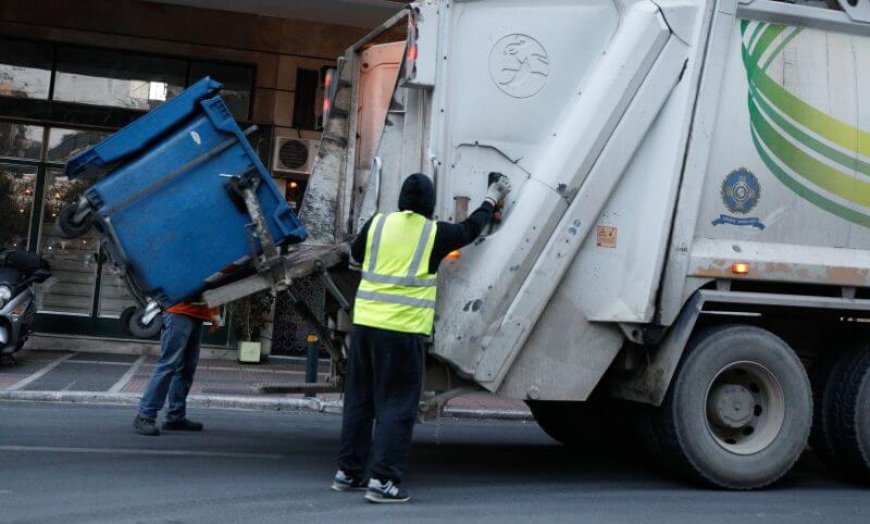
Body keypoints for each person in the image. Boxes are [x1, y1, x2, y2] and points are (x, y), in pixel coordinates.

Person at [332, 172, 512, 503]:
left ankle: (348, 472)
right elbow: (471, 229)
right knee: (396, 405)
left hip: (365, 328)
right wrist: (491, 198)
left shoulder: (377, 224)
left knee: (360, 399)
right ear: (430, 206)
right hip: (403, 332)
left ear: (400, 201)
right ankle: (383, 481)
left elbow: (354, 259)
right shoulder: (433, 233)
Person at [133, 298, 221, 436]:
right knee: (168, 364)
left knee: (187, 367)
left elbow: (209, 288)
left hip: (196, 315)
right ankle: (145, 416)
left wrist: (214, 313)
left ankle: (175, 417)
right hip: (178, 313)